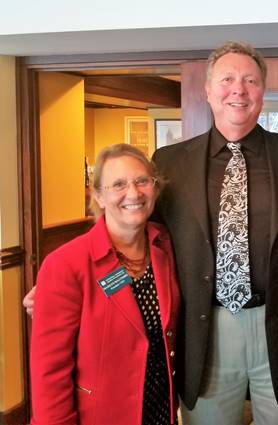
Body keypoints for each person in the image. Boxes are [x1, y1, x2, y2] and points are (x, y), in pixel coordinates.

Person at [152, 41, 278, 424]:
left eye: (250, 80)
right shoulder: (169, 163)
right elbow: (141, 237)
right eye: (228, 79)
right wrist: (72, 277)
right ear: (208, 89)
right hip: (205, 329)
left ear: (262, 91)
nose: (239, 90)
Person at [29, 144, 180, 425]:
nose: (133, 193)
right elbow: (49, 371)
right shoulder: (66, 264)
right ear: (98, 195)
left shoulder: (166, 246)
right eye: (118, 184)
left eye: (142, 181)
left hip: (160, 409)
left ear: (155, 188)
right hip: (102, 415)